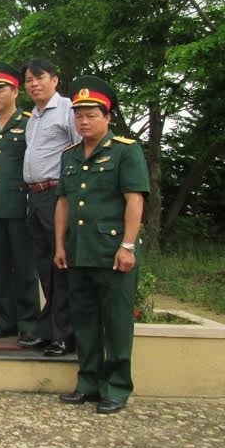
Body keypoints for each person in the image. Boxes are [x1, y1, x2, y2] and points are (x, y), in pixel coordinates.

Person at [54, 76, 149, 414]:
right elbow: (63, 202)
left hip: (111, 252)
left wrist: (128, 246)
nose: (84, 121)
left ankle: (118, 387)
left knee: (117, 321)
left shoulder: (126, 150)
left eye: (92, 114)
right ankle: (88, 383)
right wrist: (59, 245)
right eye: (79, 115)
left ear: (107, 117)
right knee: (85, 321)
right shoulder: (70, 155)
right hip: (79, 250)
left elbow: (134, 200)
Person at [0, 62, 42, 345]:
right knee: (0, 268)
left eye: (0, 89)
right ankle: (6, 320)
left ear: (15, 91)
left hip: (21, 207)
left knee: (25, 269)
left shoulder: (29, 123)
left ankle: (29, 323)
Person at [23, 58, 81, 356]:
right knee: (44, 266)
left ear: (54, 80)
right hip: (35, 197)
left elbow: (82, 153)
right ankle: (49, 330)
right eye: (29, 80)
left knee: (61, 266)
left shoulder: (69, 110)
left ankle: (65, 334)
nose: (33, 84)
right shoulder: (33, 116)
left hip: (58, 195)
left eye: (39, 77)